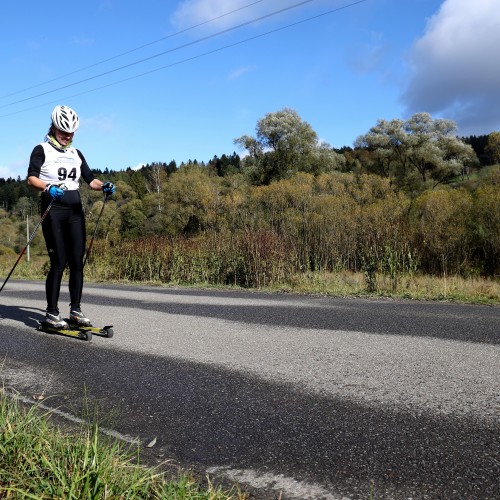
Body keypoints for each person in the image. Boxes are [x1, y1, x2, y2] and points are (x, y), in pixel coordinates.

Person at [27, 105, 115, 328]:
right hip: (54, 210)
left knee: (77, 261)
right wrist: (48, 187)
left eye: (71, 133)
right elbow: (31, 179)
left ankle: (75, 310)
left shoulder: (76, 153)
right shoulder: (41, 149)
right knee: (59, 261)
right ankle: (52, 313)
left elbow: (90, 180)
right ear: (54, 128)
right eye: (63, 132)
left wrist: (103, 186)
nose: (67, 137)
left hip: (75, 211)